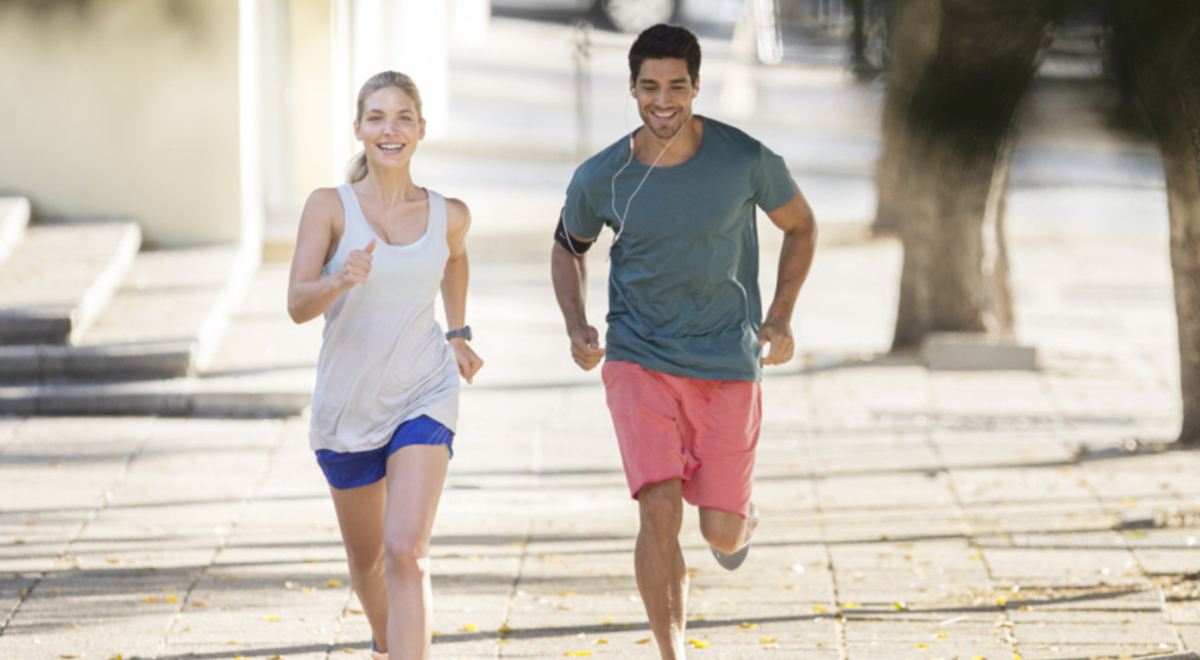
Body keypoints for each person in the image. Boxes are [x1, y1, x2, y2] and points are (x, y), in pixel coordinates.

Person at [550, 24, 817, 659]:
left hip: (727, 359)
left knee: (720, 534)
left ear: (697, 86)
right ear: (634, 89)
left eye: (676, 86)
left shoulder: (746, 159)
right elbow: (567, 249)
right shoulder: (603, 176)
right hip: (639, 357)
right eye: (649, 87)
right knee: (658, 511)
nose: (662, 101)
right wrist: (576, 324)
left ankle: (739, 520)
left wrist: (779, 316)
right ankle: (672, 650)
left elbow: (802, 227)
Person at [287, 70, 483, 660]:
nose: (390, 129)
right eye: (377, 117)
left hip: (423, 389)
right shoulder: (329, 207)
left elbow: (454, 259)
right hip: (346, 406)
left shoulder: (448, 212)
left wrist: (457, 332)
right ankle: (386, 641)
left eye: (402, 118)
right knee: (368, 560)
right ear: (358, 129)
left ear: (421, 129)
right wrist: (336, 279)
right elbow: (297, 304)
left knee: (405, 552)